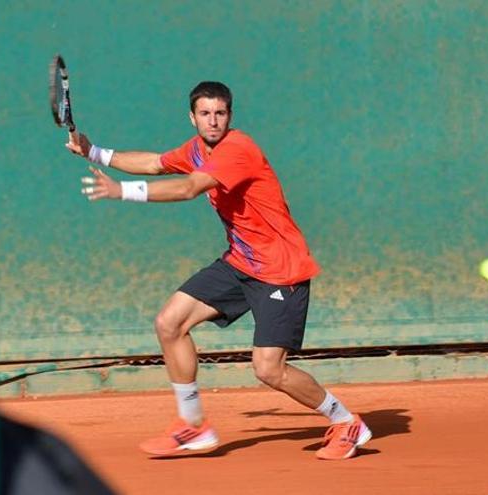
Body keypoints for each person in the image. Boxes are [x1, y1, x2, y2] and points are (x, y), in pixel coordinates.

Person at [65, 81, 371, 460]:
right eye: (205, 114)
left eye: (220, 113)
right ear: (192, 117)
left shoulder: (238, 149)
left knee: (268, 370)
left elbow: (189, 188)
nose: (213, 121)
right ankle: (193, 426)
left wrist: (121, 191)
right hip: (240, 263)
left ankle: (345, 421)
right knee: (170, 323)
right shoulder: (197, 148)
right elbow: (155, 163)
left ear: (230, 116)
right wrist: (92, 150)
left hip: (280, 270)